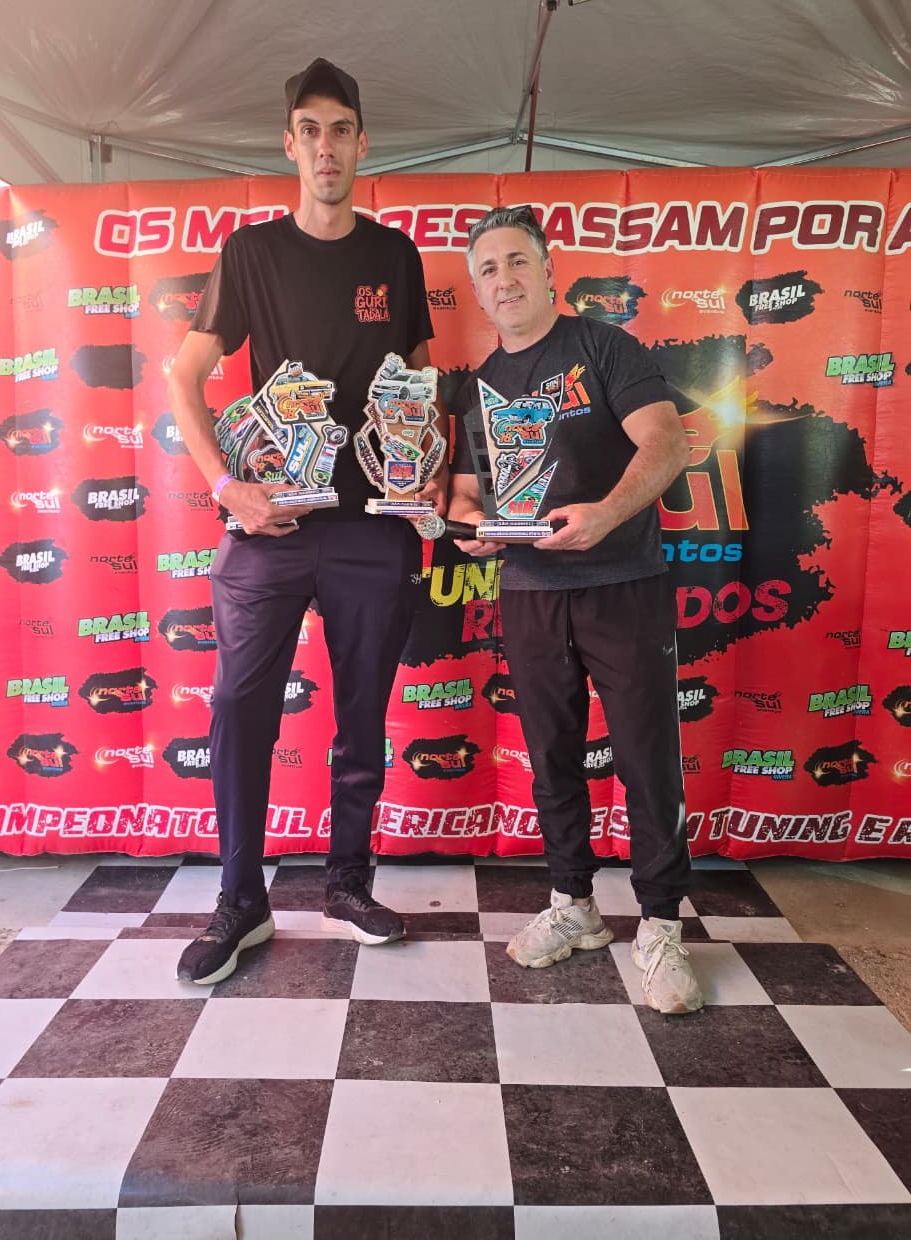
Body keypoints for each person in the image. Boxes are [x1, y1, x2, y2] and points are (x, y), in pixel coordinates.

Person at [168, 59, 443, 985]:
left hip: (374, 527)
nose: (327, 147)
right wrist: (226, 486)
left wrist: (429, 468)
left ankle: (347, 883)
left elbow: (420, 383)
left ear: (363, 144)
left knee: (362, 712)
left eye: (342, 130)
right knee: (238, 707)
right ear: (290, 145)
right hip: (273, 521)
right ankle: (240, 902)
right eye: (311, 131)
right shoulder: (250, 253)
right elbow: (182, 375)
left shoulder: (396, 256)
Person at [448, 205, 703, 1013]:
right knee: (552, 758)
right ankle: (574, 904)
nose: (505, 279)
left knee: (646, 757)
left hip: (622, 581)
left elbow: (667, 442)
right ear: (477, 291)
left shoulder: (604, 346)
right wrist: (469, 530)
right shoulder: (480, 385)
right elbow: (466, 493)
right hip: (528, 591)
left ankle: (660, 924)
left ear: (549, 270)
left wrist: (606, 513)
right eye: (488, 269)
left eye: (517, 261)